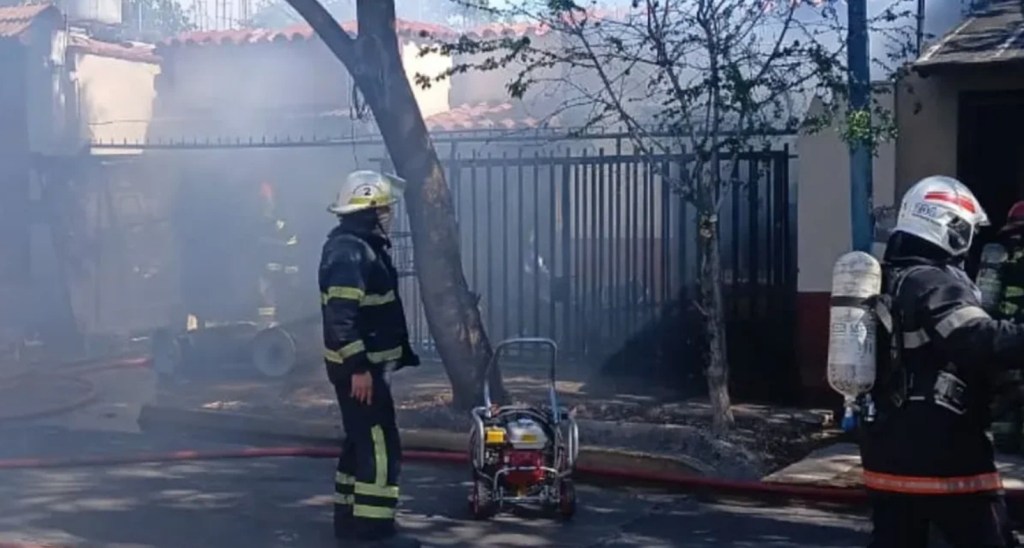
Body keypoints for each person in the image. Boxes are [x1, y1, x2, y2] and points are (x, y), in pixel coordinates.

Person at [862, 175, 1024, 547]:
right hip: (944, 455)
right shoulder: (934, 283)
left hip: (886, 453)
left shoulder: (891, 278)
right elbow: (975, 339)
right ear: (950, 227)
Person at [319, 170, 421, 547]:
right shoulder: (351, 252)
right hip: (362, 371)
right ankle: (374, 531)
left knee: (359, 441)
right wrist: (358, 367)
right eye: (384, 209)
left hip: (366, 369)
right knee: (380, 446)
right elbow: (341, 317)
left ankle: (349, 521)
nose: (389, 215)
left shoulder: (357, 247)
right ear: (370, 210)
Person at [986, 201, 1024, 453]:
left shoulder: (999, 257)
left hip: (1003, 338)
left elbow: (986, 301)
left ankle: (1006, 441)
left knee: (1005, 399)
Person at [256, 182, 301, 326]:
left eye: (267, 199)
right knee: (265, 305)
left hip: (282, 277)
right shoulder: (255, 223)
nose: (265, 203)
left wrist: (292, 273)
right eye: (263, 199)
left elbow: (292, 247)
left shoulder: (284, 223)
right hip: (263, 276)